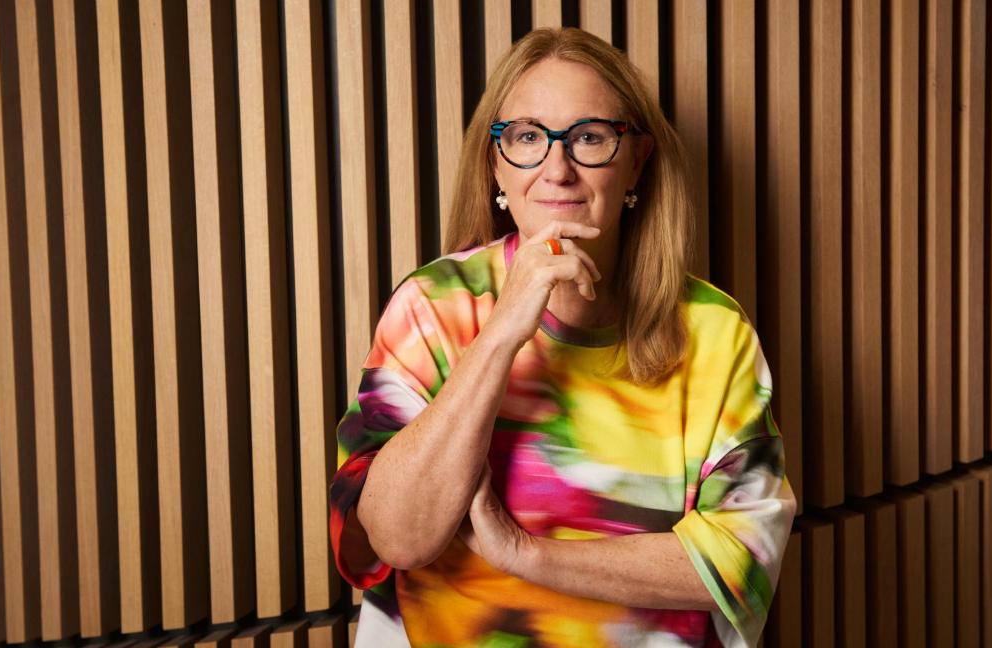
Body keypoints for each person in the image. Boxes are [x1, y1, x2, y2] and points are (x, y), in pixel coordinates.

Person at [329, 27, 795, 647]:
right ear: (496, 163)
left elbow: (741, 562)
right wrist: (501, 335)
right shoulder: (433, 307)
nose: (558, 169)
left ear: (637, 161)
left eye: (590, 138)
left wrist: (524, 553)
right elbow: (397, 538)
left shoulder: (714, 333)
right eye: (528, 137)